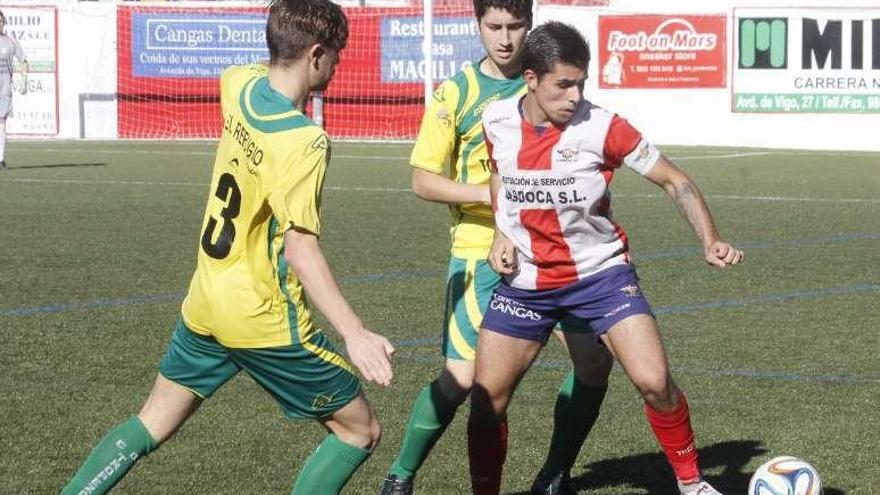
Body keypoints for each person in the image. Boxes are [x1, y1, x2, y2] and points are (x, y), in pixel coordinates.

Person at [61, 1, 395, 494]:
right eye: (337, 56)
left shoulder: (237, 84)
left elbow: (260, 71)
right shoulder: (304, 142)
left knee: (151, 422)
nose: (339, 66)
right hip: (261, 317)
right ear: (317, 55)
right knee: (359, 430)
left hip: (206, 301)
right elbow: (300, 250)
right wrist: (355, 332)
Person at [468, 22, 744, 495]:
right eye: (563, 84)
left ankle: (693, 484)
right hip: (527, 281)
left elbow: (674, 180)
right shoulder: (496, 121)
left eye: (581, 83)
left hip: (601, 275)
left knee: (654, 380)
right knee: (487, 400)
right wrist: (501, 232)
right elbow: (500, 176)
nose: (575, 96)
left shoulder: (604, 127)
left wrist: (709, 239)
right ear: (531, 79)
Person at [380, 2, 613, 495]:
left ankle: (554, 473)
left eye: (514, 26)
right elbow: (423, 180)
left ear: (530, 26)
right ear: (477, 25)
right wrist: (494, 195)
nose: (504, 38)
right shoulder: (457, 93)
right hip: (478, 248)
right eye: (494, 27)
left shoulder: (553, 81)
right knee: (462, 379)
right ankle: (401, 474)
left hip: (557, 249)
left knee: (593, 361)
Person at [0, 9, 28, 170]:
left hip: (4, 90)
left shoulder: (10, 42)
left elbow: (23, 60)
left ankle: (0, 159)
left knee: (1, 123)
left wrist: (24, 79)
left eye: (1, 21)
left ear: (3, 23)